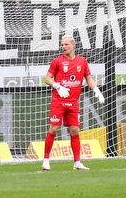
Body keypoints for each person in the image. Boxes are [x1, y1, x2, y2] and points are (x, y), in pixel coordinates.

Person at [41, 35, 104, 171]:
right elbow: (47, 79)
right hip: (58, 101)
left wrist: (97, 90)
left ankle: (77, 162)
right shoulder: (57, 61)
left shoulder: (82, 61)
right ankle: (46, 160)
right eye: (62, 45)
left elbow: (88, 78)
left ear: (73, 45)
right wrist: (58, 86)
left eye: (66, 44)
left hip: (73, 102)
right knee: (53, 129)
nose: (63, 47)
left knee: (75, 131)